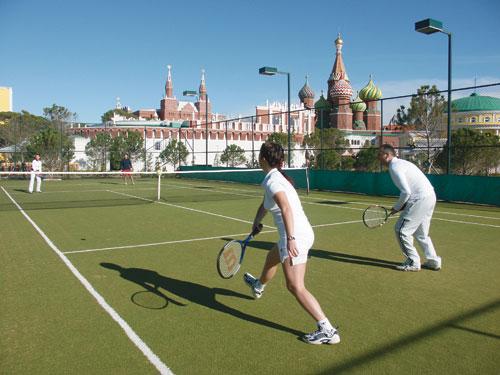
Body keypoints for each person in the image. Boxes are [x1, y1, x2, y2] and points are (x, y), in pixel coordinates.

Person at [244, 142, 340, 345]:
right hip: (299, 232)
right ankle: (259, 285)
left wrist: (290, 239)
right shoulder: (274, 178)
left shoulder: (274, 182)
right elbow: (265, 204)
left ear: (262, 159)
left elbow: (285, 208)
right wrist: (256, 222)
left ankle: (327, 329)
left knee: (295, 286)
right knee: (272, 258)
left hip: (296, 235)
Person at [378, 144, 442, 271]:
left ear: (387, 155)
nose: (377, 158)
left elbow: (406, 192)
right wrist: (402, 206)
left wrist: (397, 207)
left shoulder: (395, 167)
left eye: (379, 155)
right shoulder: (402, 163)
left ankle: (413, 262)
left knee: (401, 230)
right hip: (430, 196)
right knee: (421, 233)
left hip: (420, 199)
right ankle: (434, 261)